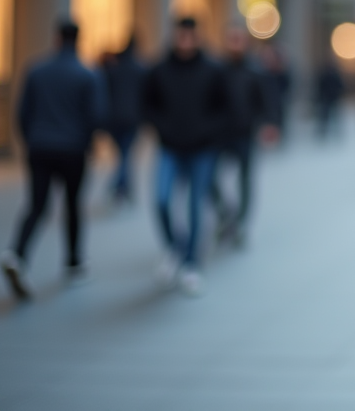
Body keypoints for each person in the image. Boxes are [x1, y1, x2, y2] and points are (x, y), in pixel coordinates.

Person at [2, 21, 106, 300]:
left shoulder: (36, 70)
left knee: (37, 205)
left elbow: (22, 112)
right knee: (72, 205)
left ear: (57, 38)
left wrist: (32, 140)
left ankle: (18, 254)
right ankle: (73, 263)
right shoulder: (88, 75)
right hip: (73, 150)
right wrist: (86, 143)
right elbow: (96, 117)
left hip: (40, 148)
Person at [143, 17, 228, 295]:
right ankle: (175, 249)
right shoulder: (160, 69)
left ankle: (192, 263)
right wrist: (161, 128)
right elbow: (148, 104)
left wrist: (209, 132)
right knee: (161, 199)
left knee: (195, 206)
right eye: (180, 35)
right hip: (169, 146)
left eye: (189, 36)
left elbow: (224, 107)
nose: (185, 41)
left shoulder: (212, 69)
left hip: (202, 149)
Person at [210, 27, 266, 248]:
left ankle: (242, 223)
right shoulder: (218, 71)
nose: (235, 45)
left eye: (238, 40)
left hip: (245, 134)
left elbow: (264, 101)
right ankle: (225, 213)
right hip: (220, 134)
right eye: (231, 40)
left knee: (245, 179)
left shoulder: (255, 71)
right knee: (210, 178)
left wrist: (266, 124)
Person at [100, 36, 145, 203]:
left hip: (114, 119)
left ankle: (122, 187)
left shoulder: (114, 69)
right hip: (132, 119)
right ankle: (119, 185)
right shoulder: (140, 69)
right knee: (125, 155)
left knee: (123, 154)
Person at [314, 59, 345, 141]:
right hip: (326, 98)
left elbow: (340, 85)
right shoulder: (324, 74)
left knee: (334, 115)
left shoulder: (335, 74)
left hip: (333, 98)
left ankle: (335, 131)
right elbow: (320, 86)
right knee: (325, 116)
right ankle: (324, 131)